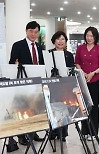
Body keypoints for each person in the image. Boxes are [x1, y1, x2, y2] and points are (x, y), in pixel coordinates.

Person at [8, 21, 44, 150]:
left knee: (34, 109)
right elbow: (12, 63)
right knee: (23, 110)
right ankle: (22, 136)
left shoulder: (39, 47)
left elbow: (41, 64)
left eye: (36, 32)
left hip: (36, 84)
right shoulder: (18, 45)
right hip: (23, 84)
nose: (33, 34)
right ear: (26, 31)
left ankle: (33, 133)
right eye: (31, 31)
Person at [75, 26, 99, 141]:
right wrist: (82, 72)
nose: (89, 38)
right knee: (83, 107)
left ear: (95, 37)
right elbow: (77, 62)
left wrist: (93, 73)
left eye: (91, 36)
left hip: (95, 80)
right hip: (82, 81)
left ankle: (93, 132)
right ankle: (84, 131)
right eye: (87, 35)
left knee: (94, 106)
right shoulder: (80, 48)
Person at [49, 31, 74, 142]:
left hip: (65, 87)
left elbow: (70, 70)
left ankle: (63, 133)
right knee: (53, 108)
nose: (60, 41)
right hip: (52, 85)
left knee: (64, 108)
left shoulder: (69, 55)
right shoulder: (49, 53)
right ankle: (53, 132)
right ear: (54, 41)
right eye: (58, 39)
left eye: (63, 39)